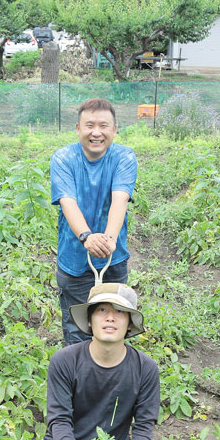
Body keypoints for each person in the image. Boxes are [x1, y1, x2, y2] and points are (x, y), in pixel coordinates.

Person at [42, 283, 160, 440]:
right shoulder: (64, 361)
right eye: (102, 310)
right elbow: (60, 419)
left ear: (130, 323)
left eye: (120, 311)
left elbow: (144, 426)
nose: (110, 317)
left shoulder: (145, 368)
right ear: (89, 320)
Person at [50, 98, 138, 346]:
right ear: (78, 128)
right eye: (89, 125)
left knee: (114, 328)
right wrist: (87, 237)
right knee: (78, 332)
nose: (96, 133)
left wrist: (108, 239)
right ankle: (79, 381)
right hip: (74, 261)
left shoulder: (124, 157)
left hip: (113, 260)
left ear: (114, 129)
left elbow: (120, 199)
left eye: (104, 126)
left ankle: (111, 381)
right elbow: (68, 202)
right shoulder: (63, 158)